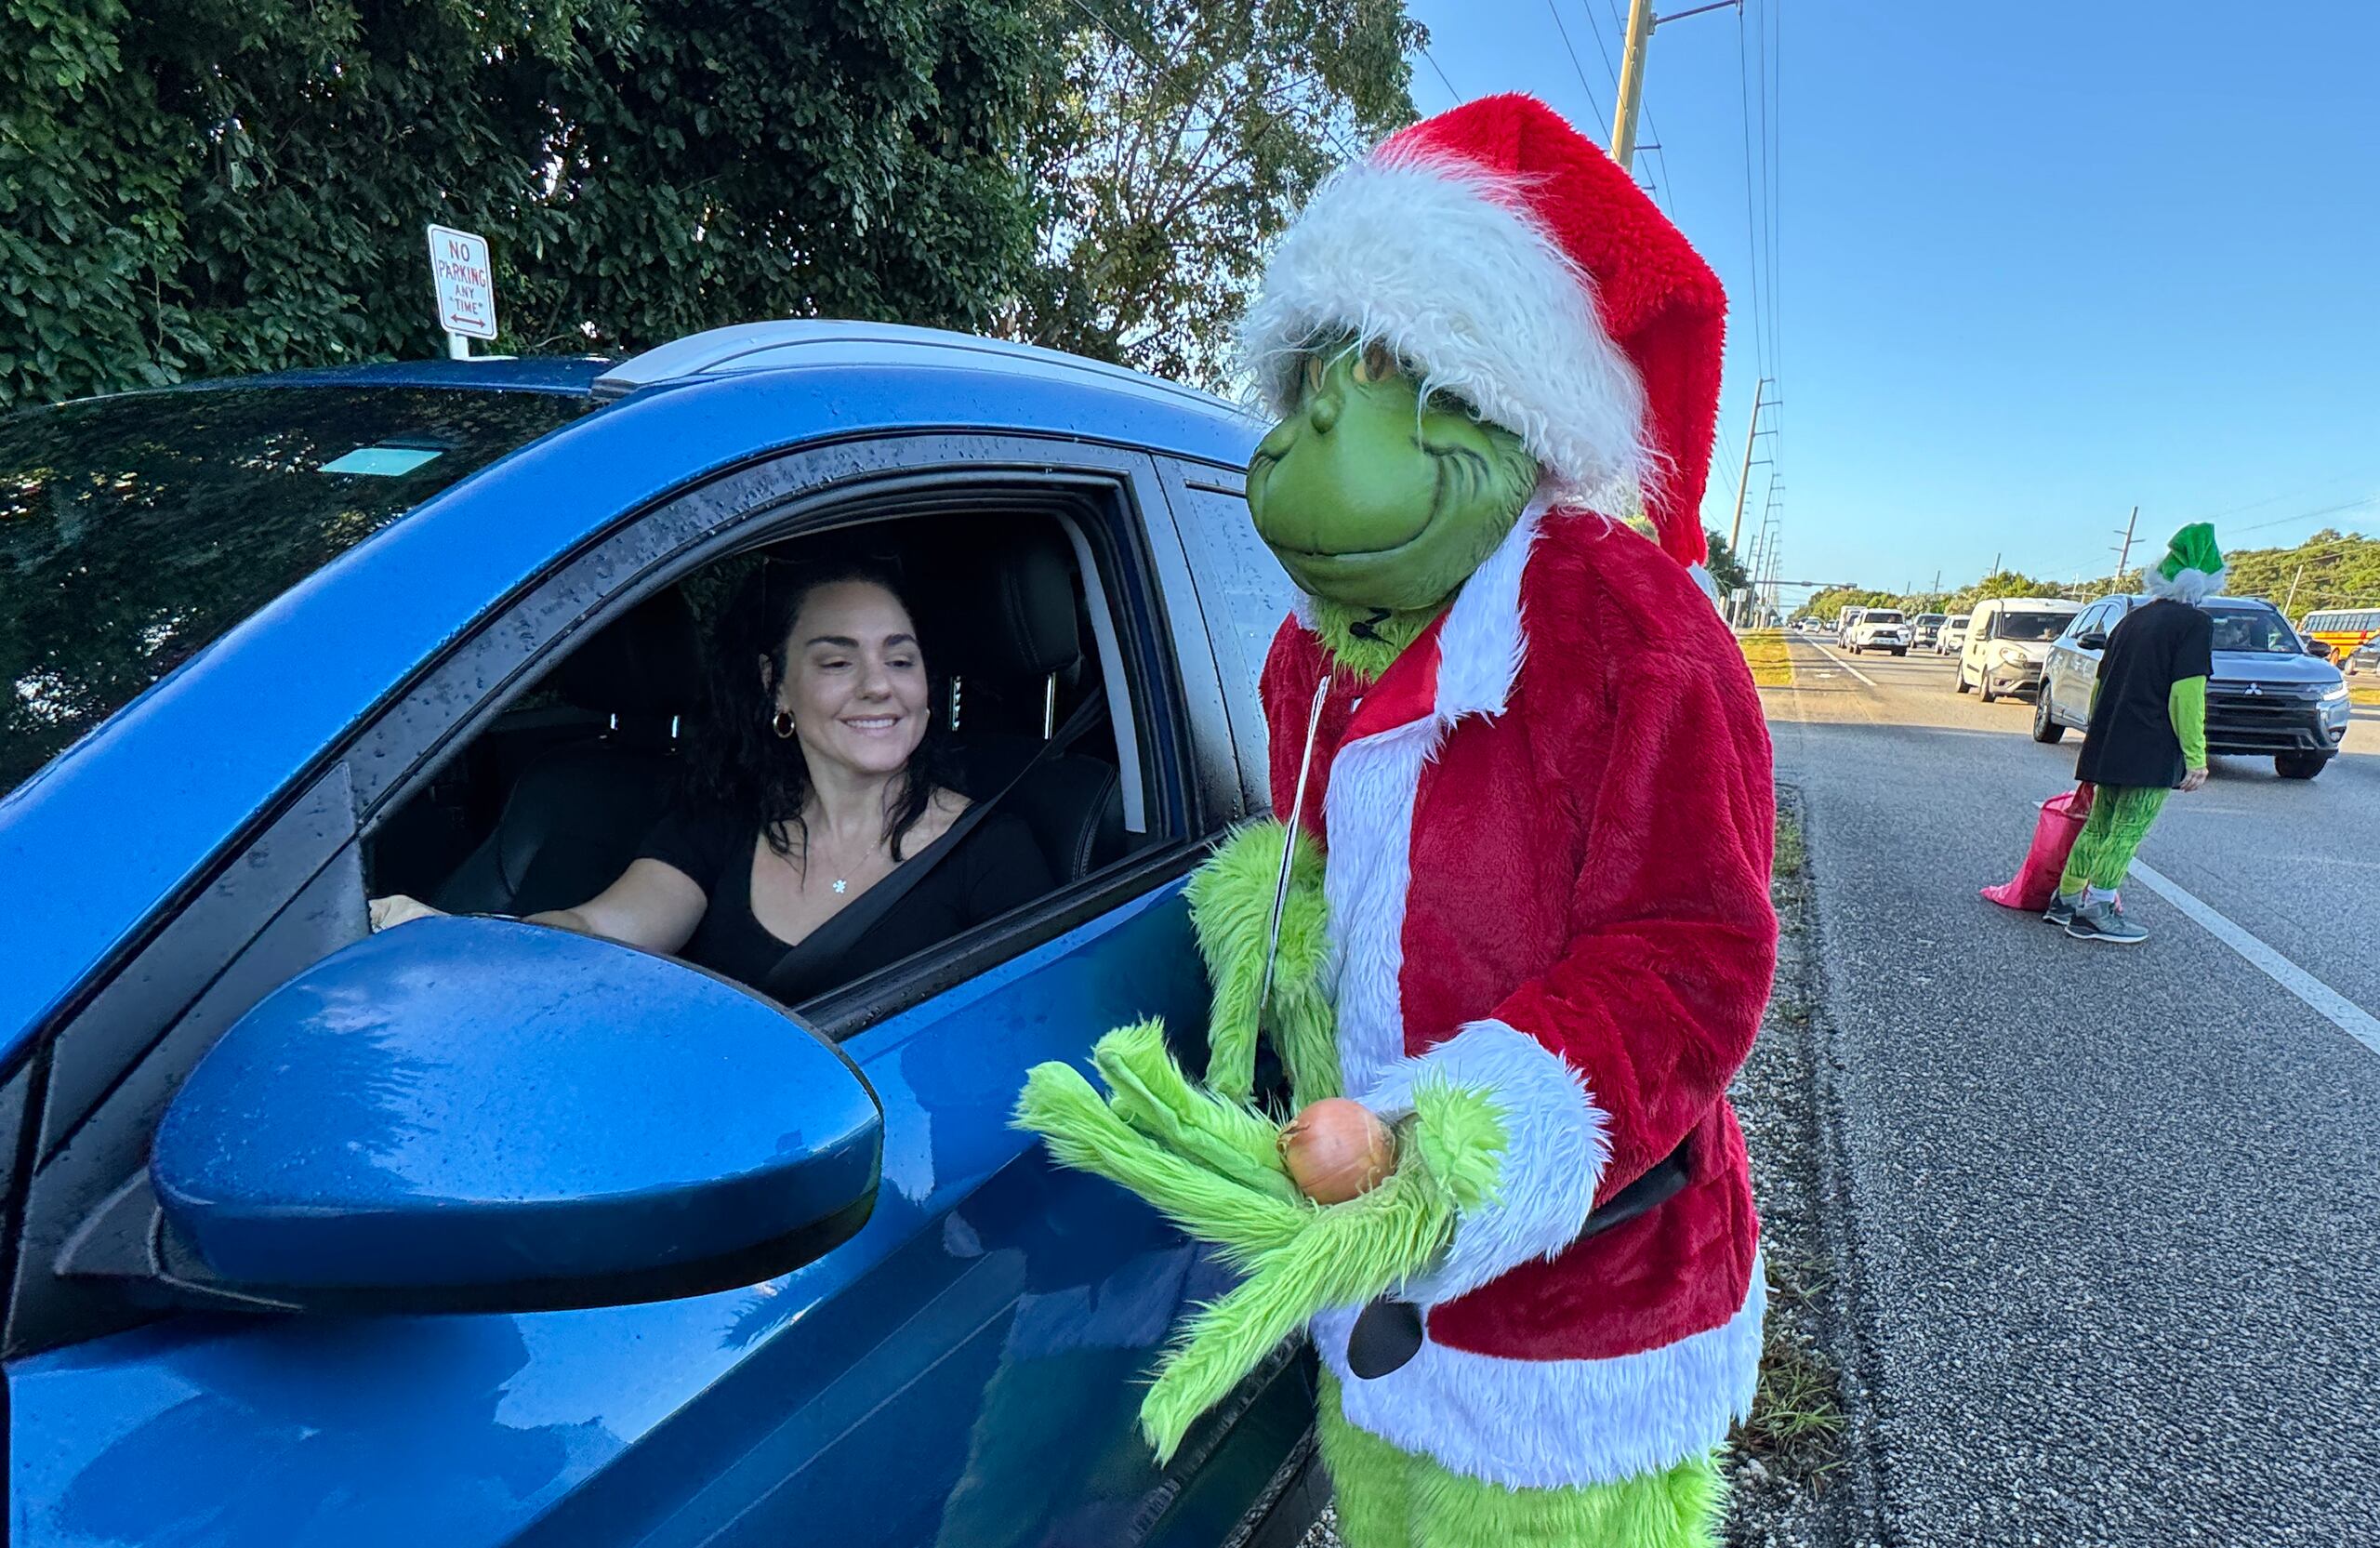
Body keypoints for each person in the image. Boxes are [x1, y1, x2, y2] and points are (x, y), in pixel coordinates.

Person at [1017, 96, 1771, 1548]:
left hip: (1573, 1337)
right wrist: (1278, 927)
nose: (1307, 426)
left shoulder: (1633, 636)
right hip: (1368, 1300)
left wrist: (1437, 1145)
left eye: (1361, 373)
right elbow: (1321, 861)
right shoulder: (1317, 651)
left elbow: (1691, 960)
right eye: (1303, 378)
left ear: (1488, 401)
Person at [371, 558, 1052, 1000]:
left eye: (900, 660)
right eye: (837, 662)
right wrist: (468, 943)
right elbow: (597, 925)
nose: (879, 686)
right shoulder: (727, 821)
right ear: (776, 685)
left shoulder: (993, 854)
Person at [2049, 523, 2223, 945]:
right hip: (2152, 746)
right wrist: (2196, 756)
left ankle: (2065, 900)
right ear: (2204, 582)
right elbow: (2187, 695)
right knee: (2128, 829)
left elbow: (2100, 684)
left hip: (2110, 739)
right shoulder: (2194, 625)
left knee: (2099, 824)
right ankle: (2097, 910)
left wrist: (2096, 733)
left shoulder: (2131, 620)